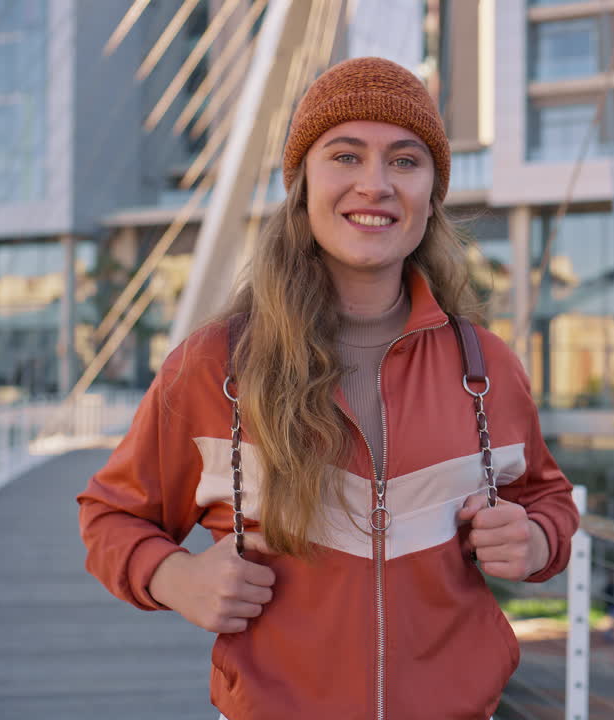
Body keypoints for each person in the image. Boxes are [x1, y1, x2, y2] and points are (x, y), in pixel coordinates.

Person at [76, 57, 579, 720]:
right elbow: (111, 515)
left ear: (432, 194)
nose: (375, 185)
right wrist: (176, 579)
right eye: (346, 155)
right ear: (303, 183)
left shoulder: (484, 368)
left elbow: (548, 496)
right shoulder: (214, 366)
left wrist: (538, 539)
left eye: (405, 161)